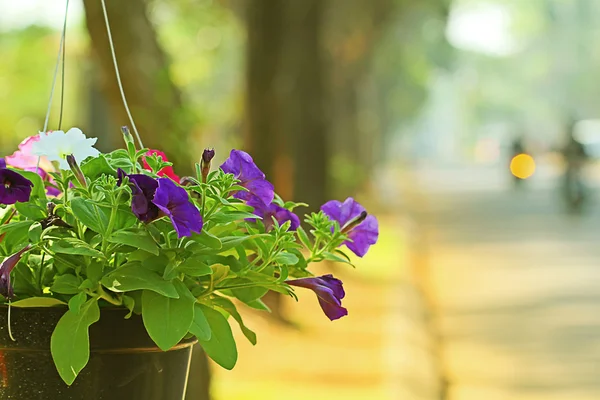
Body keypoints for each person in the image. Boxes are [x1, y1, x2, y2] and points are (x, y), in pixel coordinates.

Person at [560, 120, 589, 212]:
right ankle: (570, 201)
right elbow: (563, 155)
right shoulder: (568, 145)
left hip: (577, 168)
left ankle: (580, 201)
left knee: (580, 185)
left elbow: (584, 155)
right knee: (566, 185)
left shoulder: (577, 145)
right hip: (570, 168)